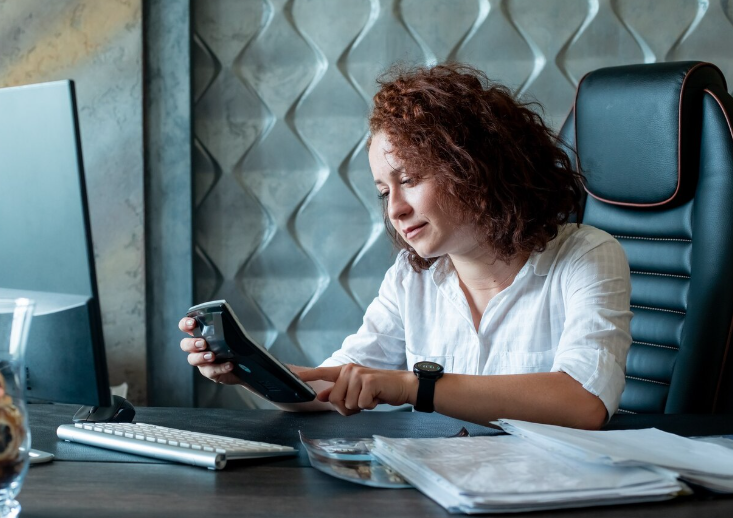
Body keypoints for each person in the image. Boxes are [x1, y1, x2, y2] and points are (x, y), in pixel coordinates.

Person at [179, 63, 632, 430]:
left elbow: (584, 402)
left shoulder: (586, 256)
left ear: (475, 168)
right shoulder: (410, 278)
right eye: (383, 192)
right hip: (439, 496)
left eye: (410, 180)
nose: (394, 209)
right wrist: (249, 371)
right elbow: (334, 388)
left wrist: (414, 386)